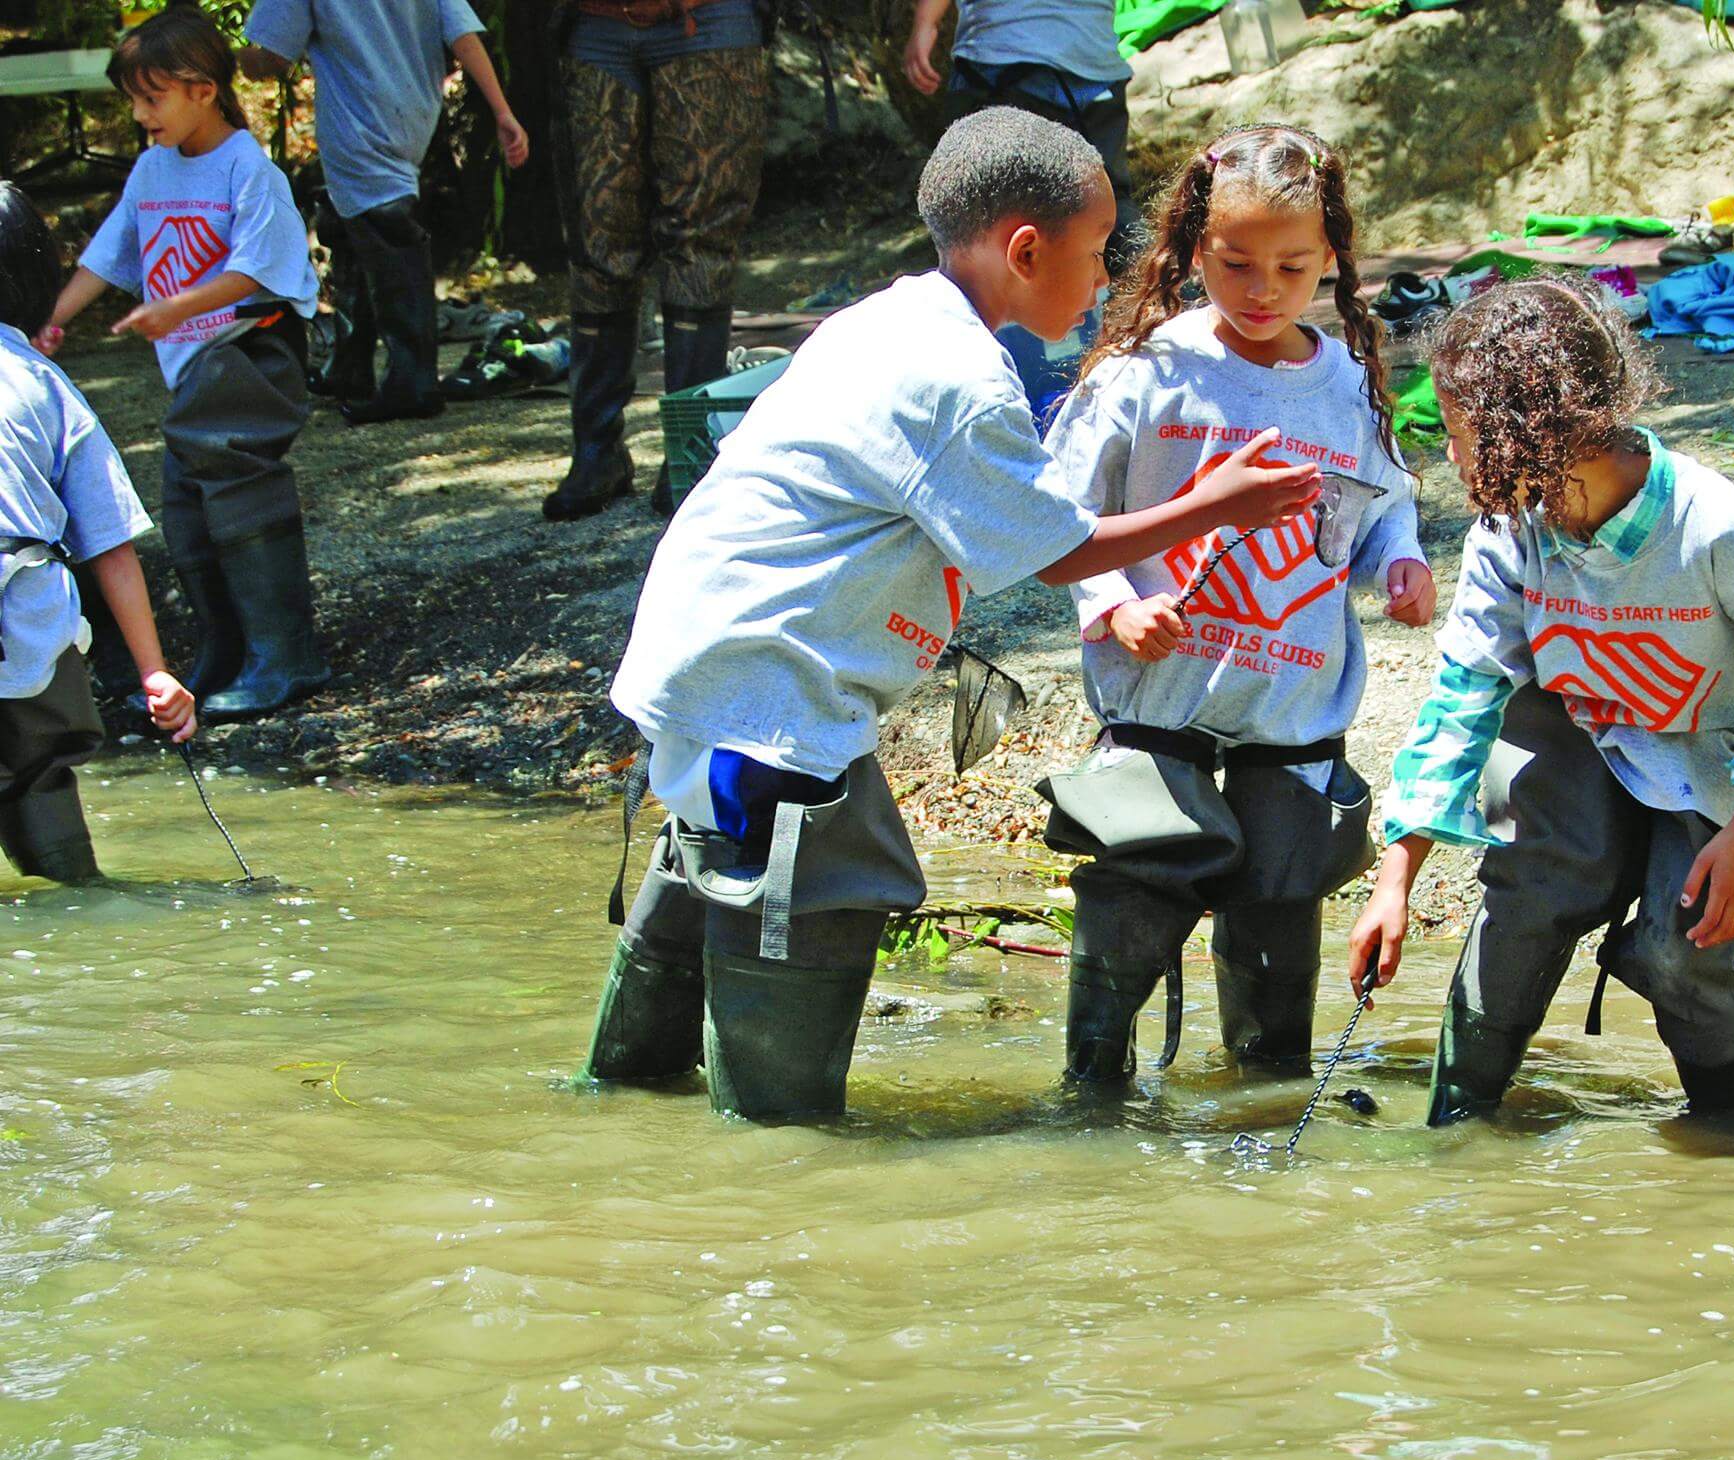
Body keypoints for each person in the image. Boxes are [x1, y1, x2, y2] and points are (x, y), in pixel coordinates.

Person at [588, 107, 1322, 1121]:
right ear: (1027, 250)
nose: (1109, 277)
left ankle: (617, 1104)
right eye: (1096, 251)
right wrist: (1218, 502)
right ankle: (769, 1171)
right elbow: (1057, 546)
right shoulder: (962, 383)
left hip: (716, 666)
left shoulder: (891, 316)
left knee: (714, 849)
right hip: (766, 690)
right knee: (801, 905)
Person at [1346, 276, 1734, 1121]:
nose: (1453, 461)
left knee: (1689, 948)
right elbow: (1463, 698)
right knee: (1523, 912)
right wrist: (1396, 875)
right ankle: (1456, 1120)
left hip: (1706, 753)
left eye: (1463, 438)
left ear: (1524, 432)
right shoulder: (1511, 530)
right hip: (1573, 729)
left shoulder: (1718, 531)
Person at [1037, 124, 1437, 1084]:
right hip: (1159, 689)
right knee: (1135, 885)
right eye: (1236, 263)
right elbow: (1055, 519)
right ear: (1191, 252)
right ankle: (1089, 1092)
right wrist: (1111, 605)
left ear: (1331, 260)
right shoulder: (1147, 373)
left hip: (1291, 705)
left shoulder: (1346, 386)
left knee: (1280, 899)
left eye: (1292, 268)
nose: (1263, 291)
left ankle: (1264, 1098)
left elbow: (1388, 508)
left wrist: (1402, 563)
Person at [39, 7, 327, 726]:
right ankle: (223, 655)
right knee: (183, 504)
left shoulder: (247, 169)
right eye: (134, 100)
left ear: (203, 88)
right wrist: (52, 317)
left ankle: (285, 657)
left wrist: (177, 307)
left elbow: (261, 269)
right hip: (193, 364)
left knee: (233, 482)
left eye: (152, 97)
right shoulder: (150, 169)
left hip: (251, 349)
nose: (141, 115)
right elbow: (108, 255)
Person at [0, 181, 198, 883]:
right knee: (46, 789)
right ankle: (76, 886)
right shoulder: (47, 387)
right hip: (32, 633)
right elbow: (109, 541)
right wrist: (155, 671)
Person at [240, 0, 531, 426]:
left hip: (357, 120)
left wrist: (227, 56)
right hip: (411, 117)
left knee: (388, 239)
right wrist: (502, 110)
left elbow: (270, 57)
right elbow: (463, 36)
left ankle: (412, 383)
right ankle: (350, 366)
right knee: (348, 228)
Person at [542, 0, 768, 523]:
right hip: (597, 26)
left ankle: (689, 452)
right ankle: (597, 452)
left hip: (709, 22)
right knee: (597, 233)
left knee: (702, 235)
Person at [904, 0, 1141, 431]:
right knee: (995, 247)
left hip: (1054, 63)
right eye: (1095, 262)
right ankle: (1039, 399)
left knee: (1103, 230)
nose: (1102, 277)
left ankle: (1109, 387)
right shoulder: (971, 389)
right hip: (1034, 66)